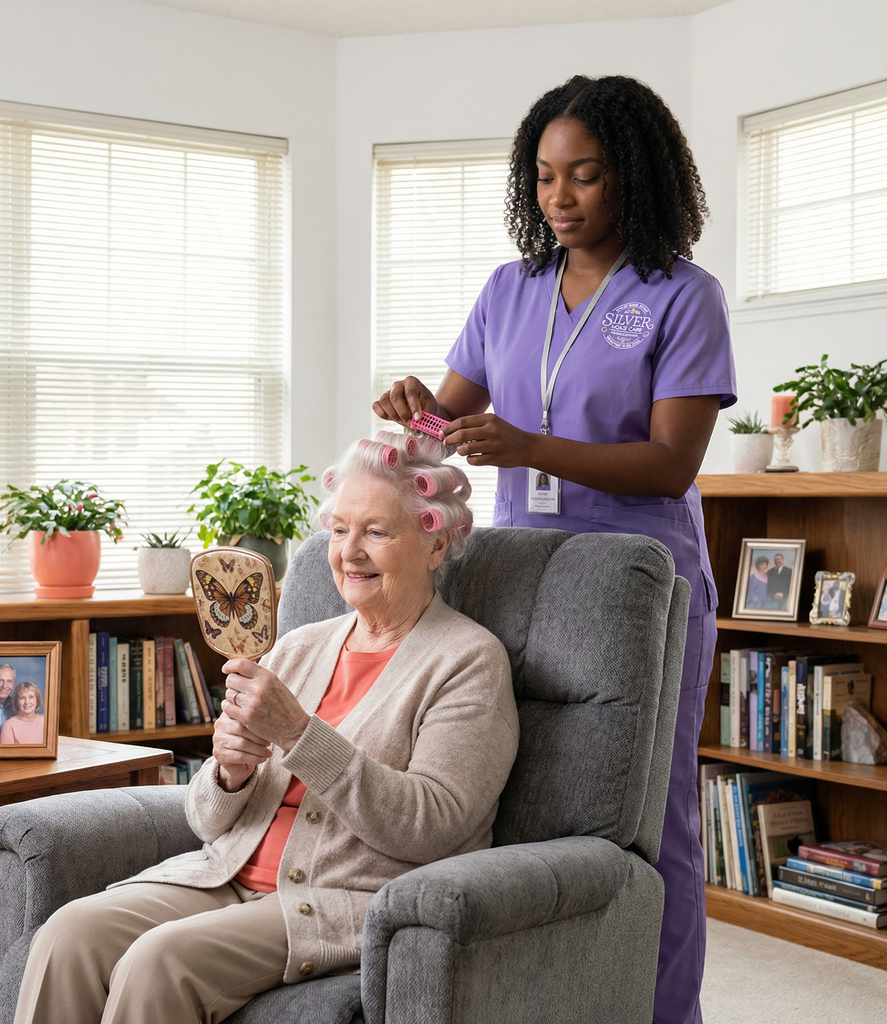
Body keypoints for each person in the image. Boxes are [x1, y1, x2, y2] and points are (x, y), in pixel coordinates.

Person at [374, 75, 736, 1024]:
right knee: (523, 804)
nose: (560, 197)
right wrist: (416, 408)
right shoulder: (509, 289)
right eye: (543, 177)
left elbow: (669, 464)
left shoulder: (684, 298)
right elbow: (446, 420)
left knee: (652, 824)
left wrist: (526, 444)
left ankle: (662, 1012)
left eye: (584, 175)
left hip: (641, 587)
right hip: (522, 577)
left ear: (636, 178)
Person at [12, 432, 518, 1024]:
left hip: (338, 899)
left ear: (434, 546)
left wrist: (301, 735)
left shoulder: (467, 660)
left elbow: (433, 824)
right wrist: (228, 773)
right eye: (338, 530)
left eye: (377, 533)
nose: (349, 552)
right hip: (224, 877)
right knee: (68, 934)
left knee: (159, 961)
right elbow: (205, 819)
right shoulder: (298, 647)